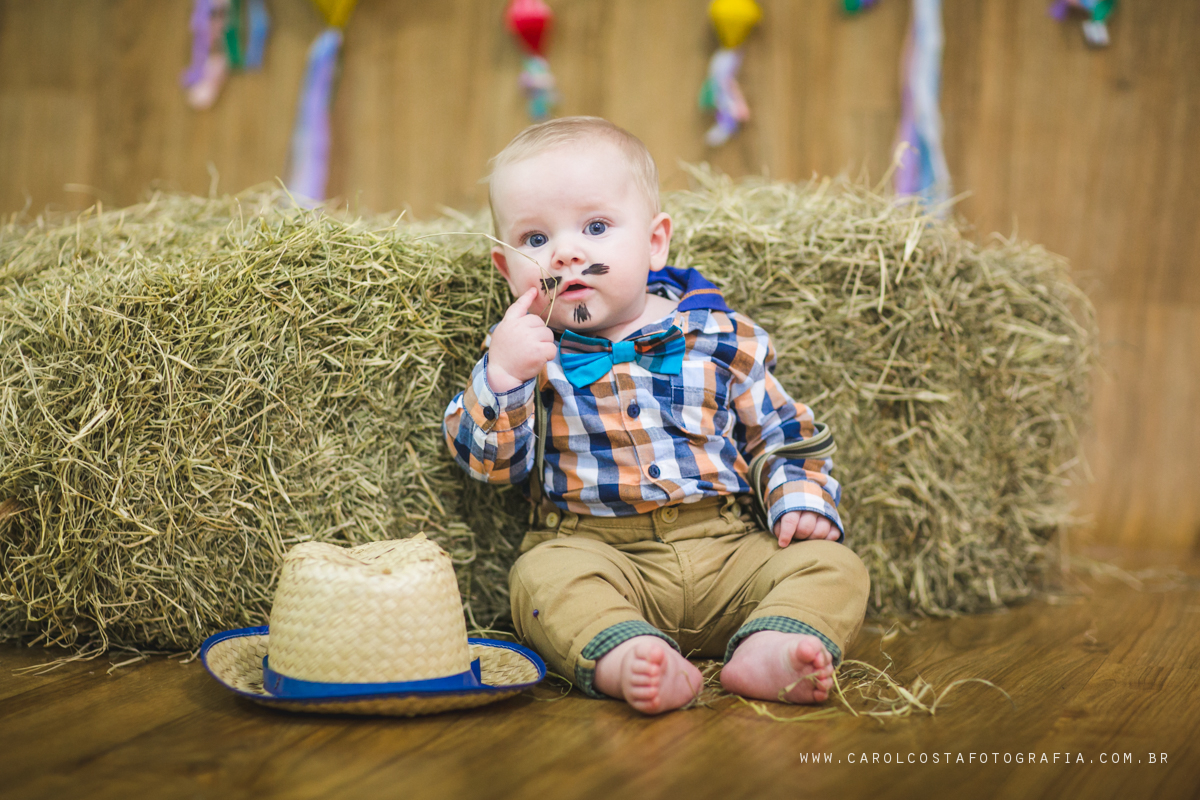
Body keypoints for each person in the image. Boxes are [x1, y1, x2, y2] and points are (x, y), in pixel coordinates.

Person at [443, 116, 869, 714]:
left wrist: (798, 498)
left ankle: (772, 645)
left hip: (729, 548)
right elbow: (491, 469)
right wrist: (503, 378)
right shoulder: (523, 354)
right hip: (598, 552)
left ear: (654, 242)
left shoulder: (719, 336)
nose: (566, 251)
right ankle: (630, 655)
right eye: (535, 240)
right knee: (539, 582)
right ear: (506, 269)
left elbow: (781, 432)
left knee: (834, 565)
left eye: (595, 227)